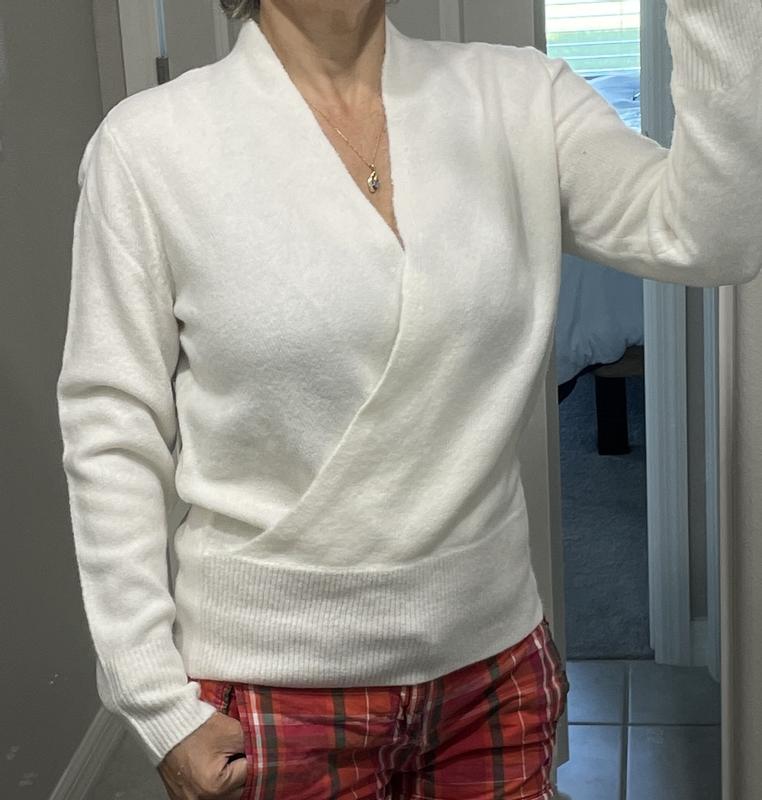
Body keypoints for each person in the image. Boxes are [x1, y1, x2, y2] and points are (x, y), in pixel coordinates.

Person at [55, 0, 762, 798]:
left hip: (491, 678)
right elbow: (111, 425)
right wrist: (151, 696)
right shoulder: (149, 147)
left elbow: (715, 235)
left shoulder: (519, 99)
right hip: (269, 692)